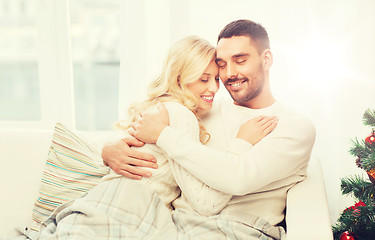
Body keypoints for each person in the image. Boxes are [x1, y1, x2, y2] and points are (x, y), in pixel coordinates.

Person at [31, 35, 277, 240]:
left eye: (215, 79)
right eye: (203, 79)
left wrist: (106, 151)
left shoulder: (160, 109)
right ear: (179, 78)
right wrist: (242, 143)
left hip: (103, 200)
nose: (213, 88)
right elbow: (206, 204)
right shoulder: (181, 116)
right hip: (126, 206)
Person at [102, 19, 316, 239]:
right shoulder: (202, 108)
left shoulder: (294, 126)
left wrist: (162, 135)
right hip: (173, 224)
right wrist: (110, 149)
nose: (229, 74)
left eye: (240, 60)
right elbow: (153, 146)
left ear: (267, 59)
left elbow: (239, 178)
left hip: (238, 229)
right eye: (222, 65)